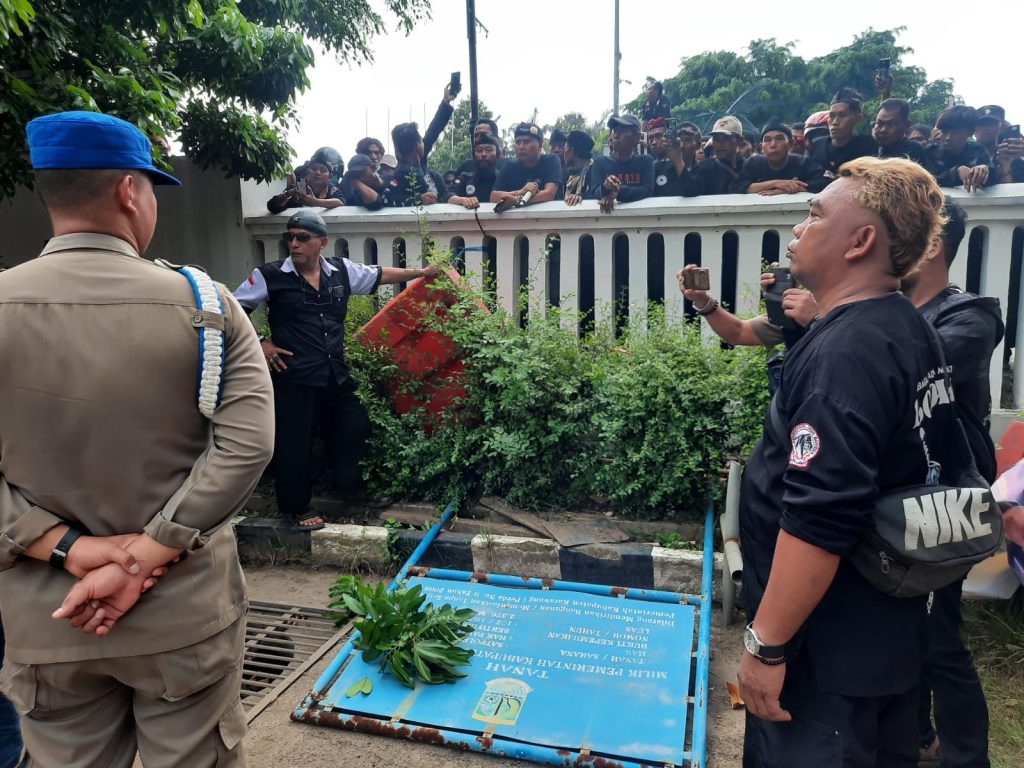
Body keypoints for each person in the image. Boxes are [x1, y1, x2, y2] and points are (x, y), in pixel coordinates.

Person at [0, 110, 275, 766]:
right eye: (152, 187)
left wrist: (67, 547)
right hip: (183, 620)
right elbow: (247, 446)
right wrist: (147, 553)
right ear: (129, 191)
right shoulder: (206, 307)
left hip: (51, 622)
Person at [737, 157, 959, 767]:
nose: (799, 228)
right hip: (885, 638)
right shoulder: (907, 328)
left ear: (860, 242)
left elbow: (821, 517)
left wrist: (767, 646)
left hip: (827, 654)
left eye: (814, 215)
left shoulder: (846, 353)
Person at [234, 210, 439, 530]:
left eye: (302, 238)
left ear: (322, 243)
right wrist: (261, 343)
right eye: (290, 237)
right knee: (294, 442)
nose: (294, 243)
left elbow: (378, 274)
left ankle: (351, 491)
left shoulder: (340, 271)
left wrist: (421, 272)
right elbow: (231, 309)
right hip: (294, 374)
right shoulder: (269, 275)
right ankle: (295, 509)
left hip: (334, 371)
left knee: (353, 426)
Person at [902, 199, 1005, 768]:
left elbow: (909, 369)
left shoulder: (971, 317)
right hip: (902, 491)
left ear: (933, 243)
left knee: (939, 636)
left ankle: (967, 758)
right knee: (905, 628)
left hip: (948, 500)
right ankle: (918, 738)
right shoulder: (894, 309)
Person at [733, 121, 829, 195]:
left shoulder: (803, 163)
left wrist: (794, 188)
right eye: (767, 140)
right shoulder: (753, 163)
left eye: (779, 138)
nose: (773, 145)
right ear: (761, 147)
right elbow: (738, 186)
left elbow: (825, 181)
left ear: (791, 144)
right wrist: (776, 183)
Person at [587, 114, 655, 213]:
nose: (615, 136)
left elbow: (648, 191)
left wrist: (618, 191)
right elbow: (594, 192)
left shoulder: (645, 162)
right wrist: (605, 187)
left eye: (622, 131)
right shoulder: (600, 162)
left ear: (636, 137)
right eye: (615, 131)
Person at [491, 123, 562, 209]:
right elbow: (493, 196)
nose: (521, 147)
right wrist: (520, 192)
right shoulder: (509, 165)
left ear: (540, 145)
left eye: (526, 142)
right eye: (518, 142)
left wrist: (516, 200)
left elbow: (549, 194)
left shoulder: (551, 160)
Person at [809, 88, 876, 177]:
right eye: (831, 116)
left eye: (842, 115)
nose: (835, 122)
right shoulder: (817, 146)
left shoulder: (868, 146)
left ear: (858, 118)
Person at [926, 106, 995, 191]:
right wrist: (956, 172)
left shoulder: (978, 151)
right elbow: (925, 180)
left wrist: (985, 170)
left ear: (970, 132)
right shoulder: (929, 152)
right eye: (944, 132)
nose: (948, 138)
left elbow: (994, 180)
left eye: (956, 133)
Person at [385, 122, 447, 207]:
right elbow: (386, 199)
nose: (424, 144)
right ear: (418, 146)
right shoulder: (400, 174)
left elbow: (443, 195)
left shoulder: (425, 170)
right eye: (422, 141)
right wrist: (418, 200)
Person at [267, 146, 345, 213]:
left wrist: (315, 202)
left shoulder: (332, 189)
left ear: (330, 177)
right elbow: (272, 206)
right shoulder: (299, 187)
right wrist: (288, 194)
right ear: (307, 172)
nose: (317, 172)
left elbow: (340, 202)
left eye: (323, 170)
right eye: (313, 168)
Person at [692, 116, 746, 195]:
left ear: (740, 140)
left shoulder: (749, 167)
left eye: (725, 139)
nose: (720, 144)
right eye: (716, 139)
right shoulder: (703, 169)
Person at [447, 134, 501, 209]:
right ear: (474, 155)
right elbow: (448, 196)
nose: (484, 154)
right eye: (479, 150)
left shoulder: (504, 178)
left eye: (489, 150)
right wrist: (463, 200)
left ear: (497, 154)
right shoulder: (465, 178)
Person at [872, 98, 930, 167]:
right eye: (879, 124)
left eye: (891, 124)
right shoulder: (867, 147)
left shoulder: (913, 150)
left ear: (906, 125)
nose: (883, 130)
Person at [654, 121, 703, 197]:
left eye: (687, 140)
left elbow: (689, 192)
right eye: (679, 141)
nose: (681, 145)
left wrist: (677, 159)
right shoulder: (658, 169)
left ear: (698, 145)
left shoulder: (704, 170)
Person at [563, 130, 596, 206]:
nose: (564, 152)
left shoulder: (594, 173)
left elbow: (598, 195)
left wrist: (581, 197)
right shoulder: (566, 175)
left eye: (566, 147)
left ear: (572, 149)